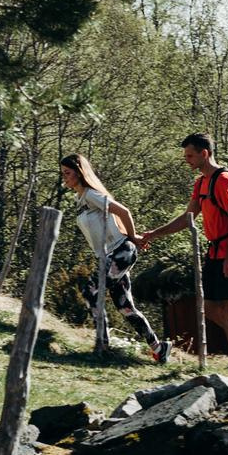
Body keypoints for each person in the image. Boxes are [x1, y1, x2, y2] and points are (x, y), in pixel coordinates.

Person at [138, 131, 228, 371]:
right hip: (215, 253)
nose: (186, 160)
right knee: (210, 308)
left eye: (190, 155)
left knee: (227, 309)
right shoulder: (201, 182)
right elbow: (187, 218)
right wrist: (154, 233)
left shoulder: (223, 179)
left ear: (205, 154)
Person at [59, 153, 168, 364]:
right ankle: (159, 347)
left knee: (91, 291)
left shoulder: (91, 195)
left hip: (121, 251)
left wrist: (134, 238)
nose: (64, 178)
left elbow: (124, 211)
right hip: (110, 256)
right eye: (63, 173)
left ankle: (103, 344)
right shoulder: (80, 199)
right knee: (125, 307)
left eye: (67, 173)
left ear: (79, 173)